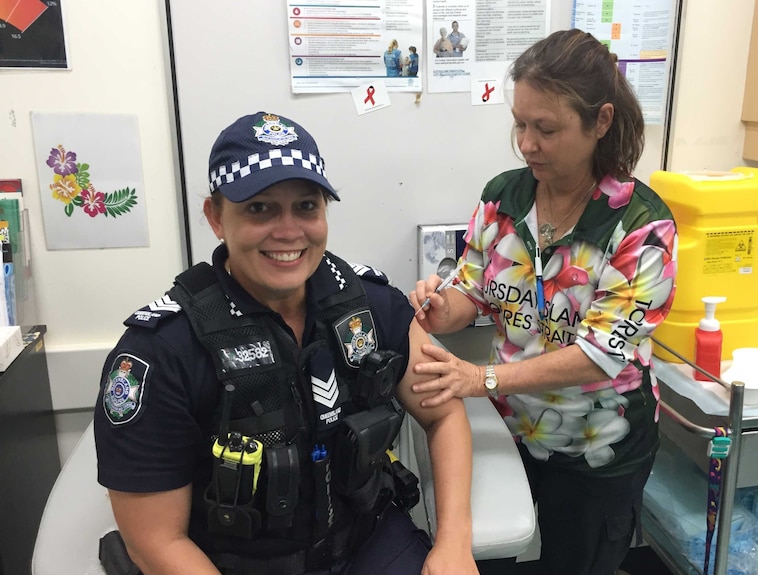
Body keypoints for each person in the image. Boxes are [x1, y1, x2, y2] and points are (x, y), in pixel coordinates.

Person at [94, 111, 479, 575]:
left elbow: (443, 412)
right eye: (259, 208)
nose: (289, 231)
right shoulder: (162, 352)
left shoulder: (369, 304)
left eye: (306, 206)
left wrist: (454, 541)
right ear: (215, 217)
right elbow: (155, 540)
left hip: (367, 542)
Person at [409, 29, 678, 575]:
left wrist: (479, 378)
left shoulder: (641, 227)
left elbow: (601, 354)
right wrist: (443, 307)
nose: (527, 143)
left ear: (600, 122)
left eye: (546, 129)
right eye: (520, 124)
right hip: (514, 430)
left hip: (598, 448)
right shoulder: (504, 197)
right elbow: (474, 289)